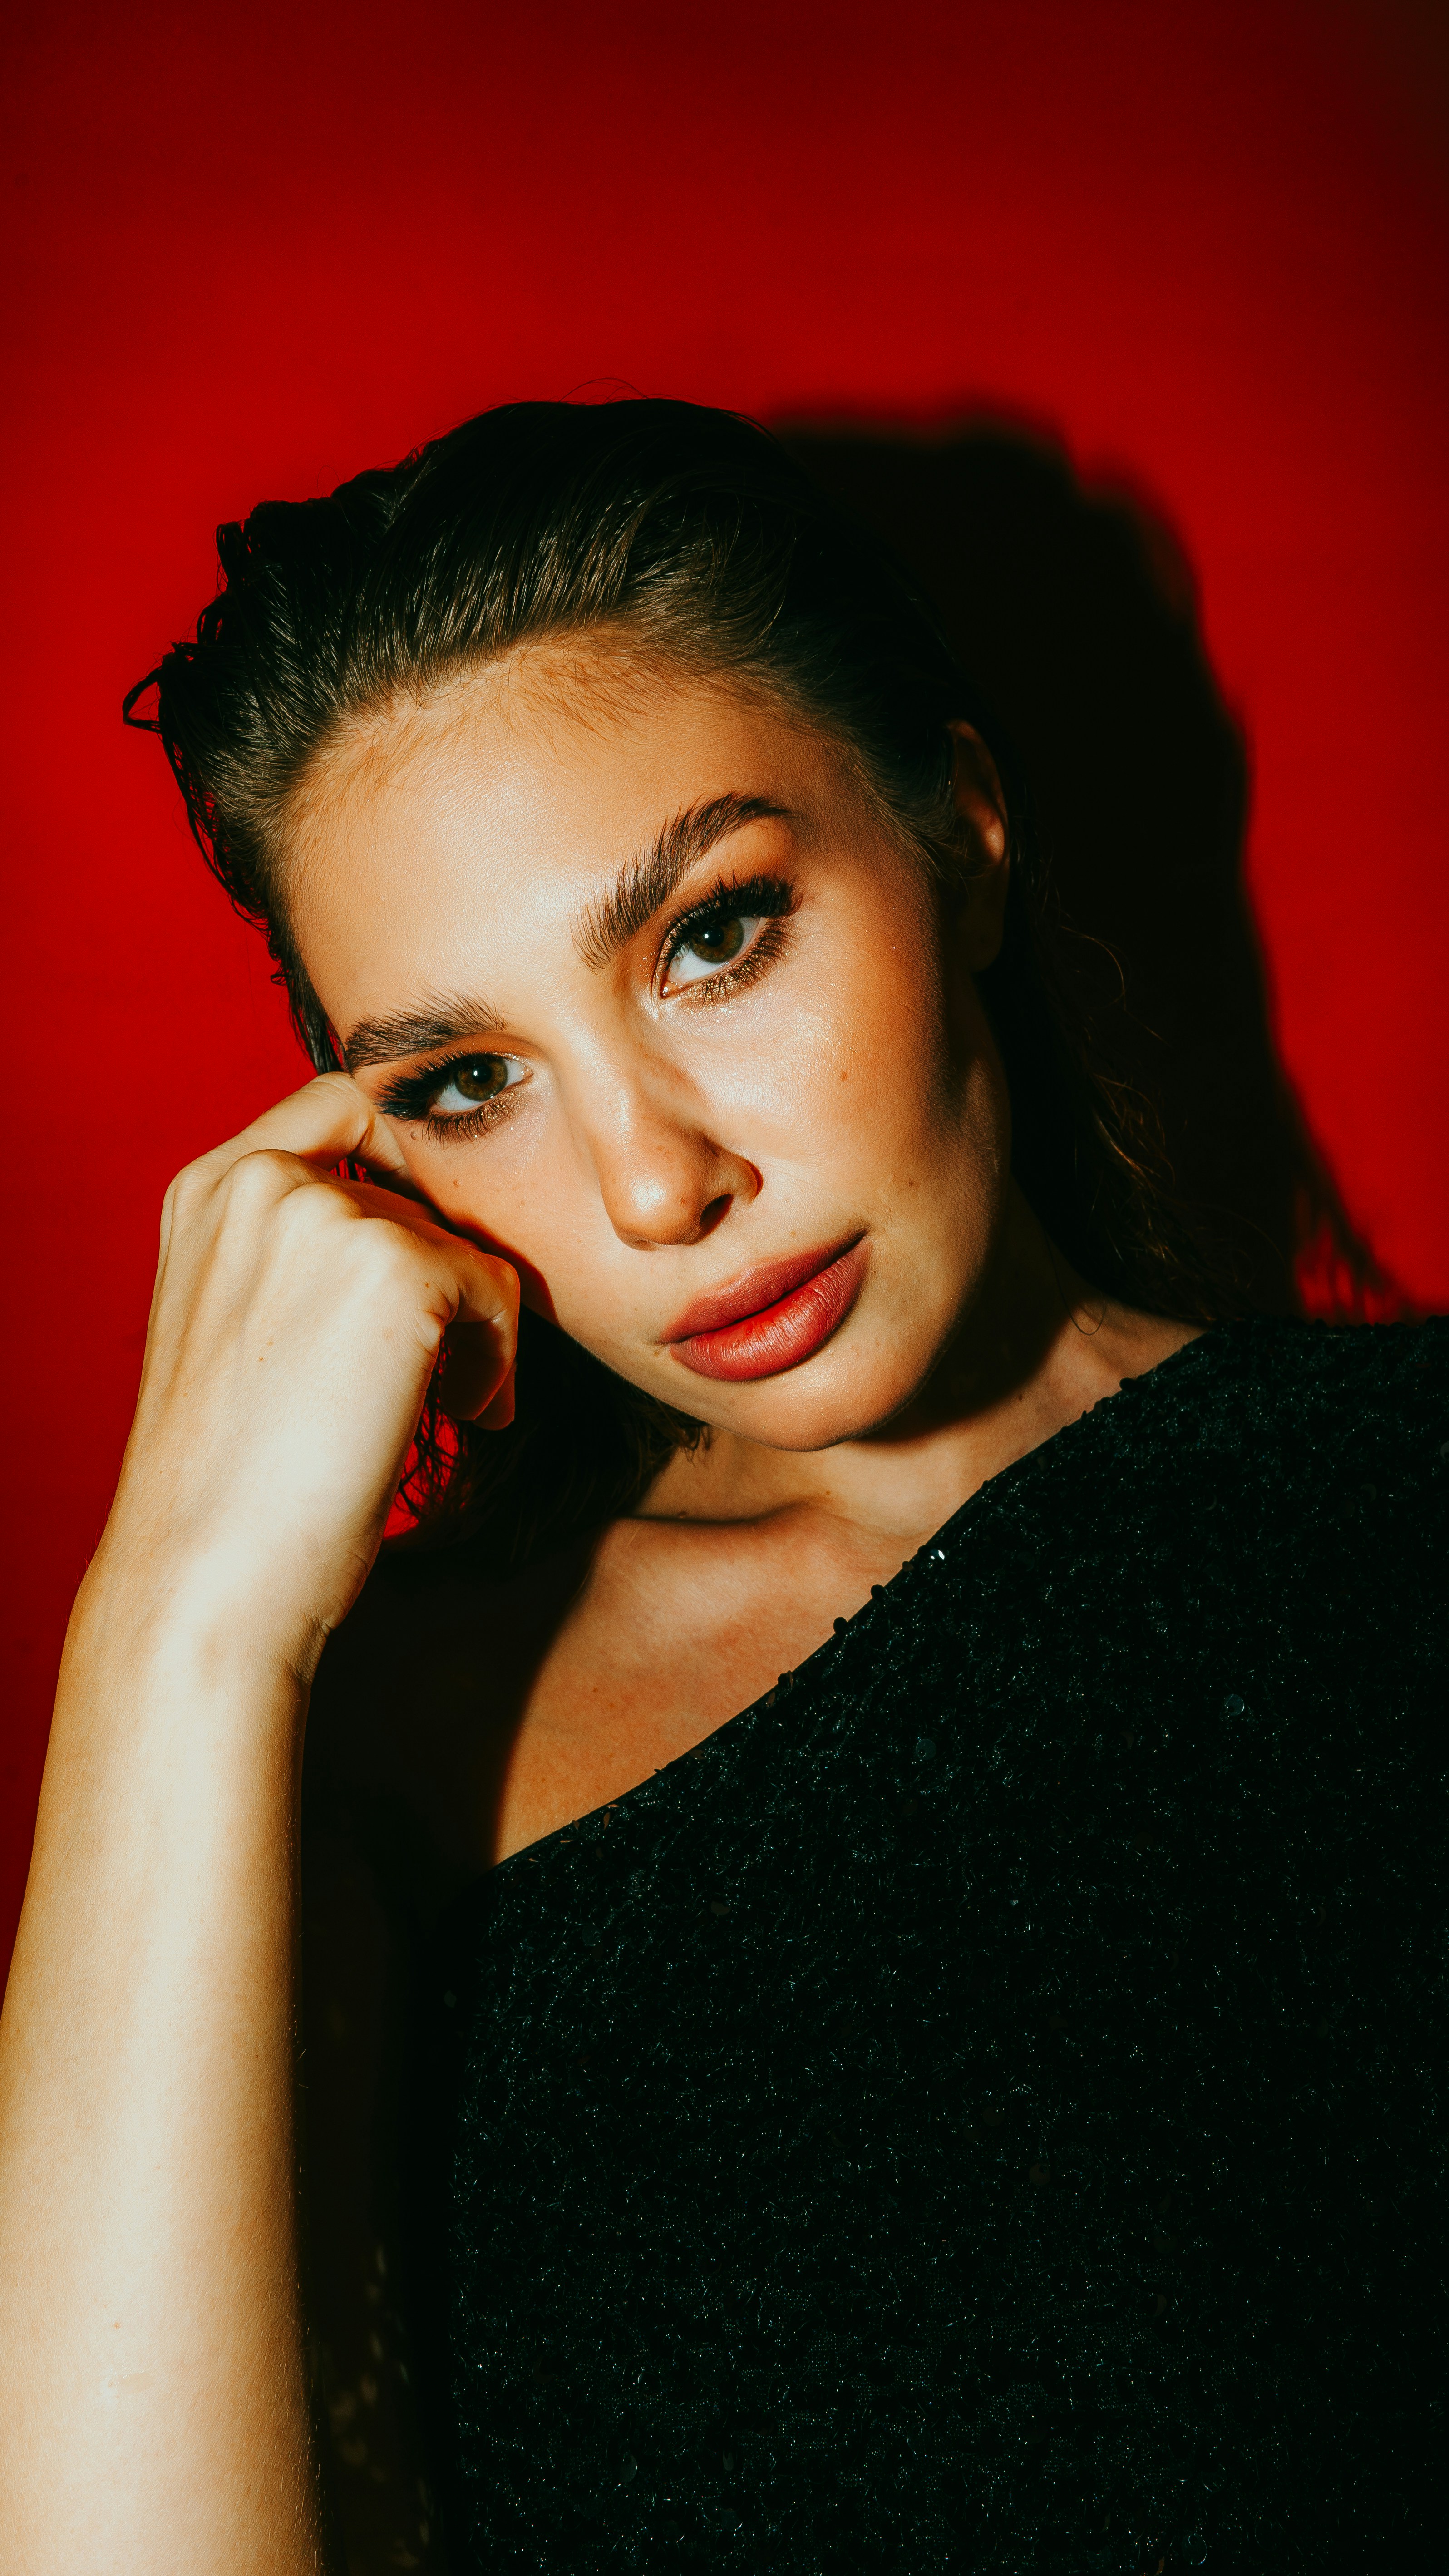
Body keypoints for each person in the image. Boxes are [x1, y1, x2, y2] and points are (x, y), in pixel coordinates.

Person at [0, 399, 1442, 2576]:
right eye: (470, 1081)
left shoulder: (1396, 1512)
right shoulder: (383, 1752)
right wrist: (182, 1622)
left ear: (959, 835)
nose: (659, 1184)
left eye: (715, 935)